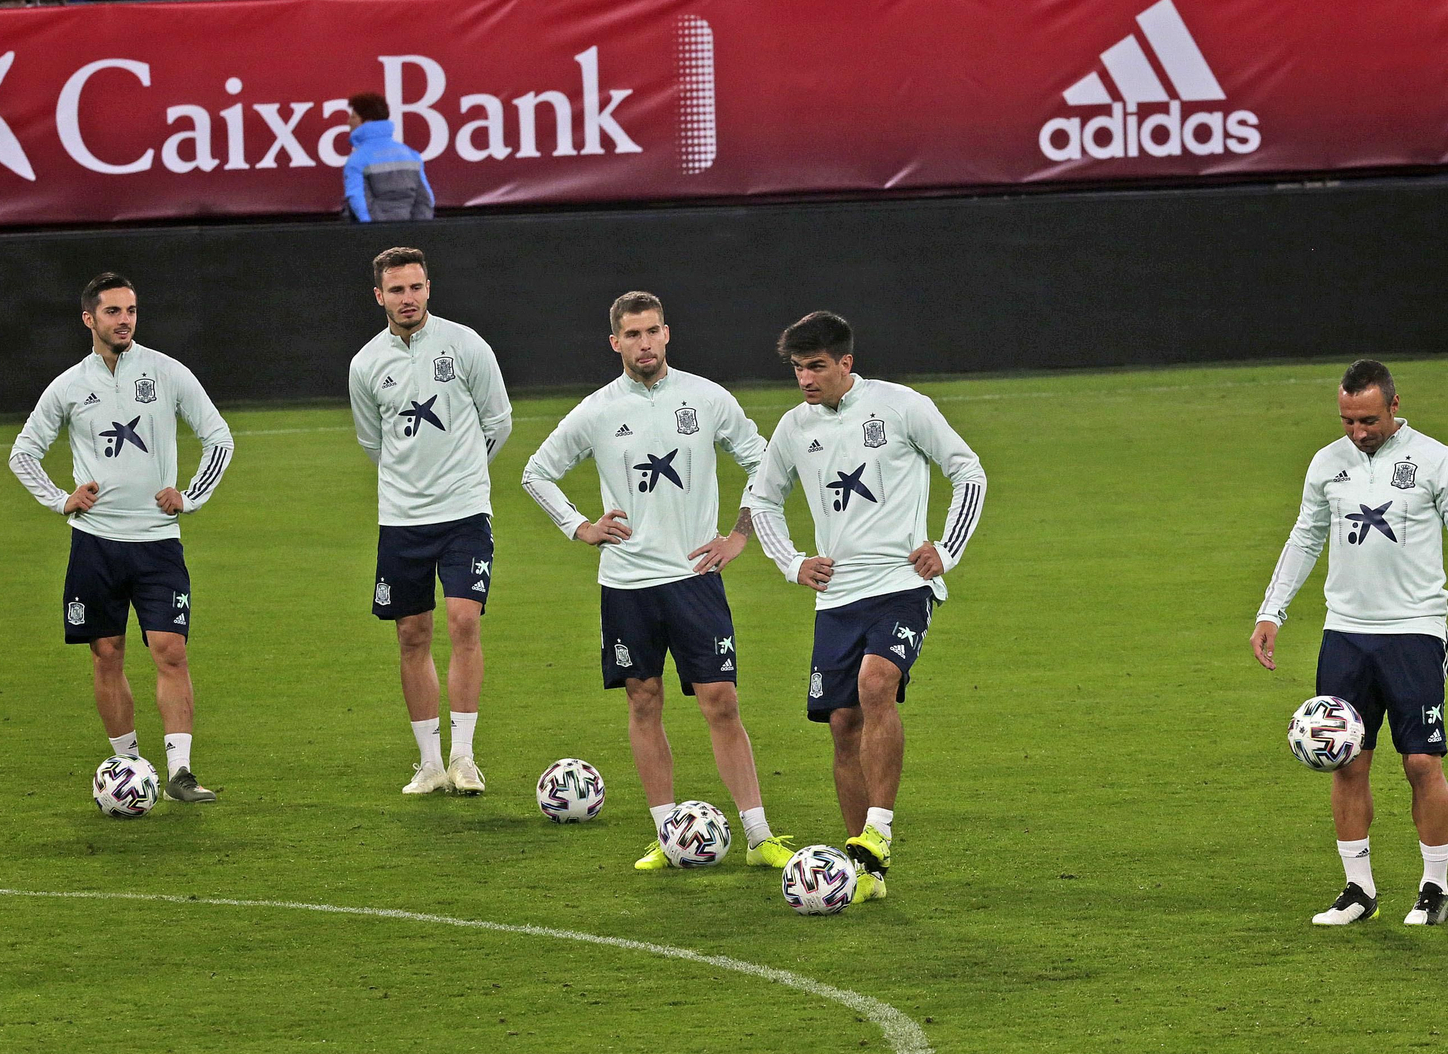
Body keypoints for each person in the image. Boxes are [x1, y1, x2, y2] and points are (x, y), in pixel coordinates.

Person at [521, 291, 796, 871]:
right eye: (632, 334)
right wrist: (580, 527)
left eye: (652, 332)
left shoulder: (707, 398)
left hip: (695, 578)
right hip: (626, 585)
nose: (644, 344)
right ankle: (666, 834)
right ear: (615, 342)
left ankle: (759, 836)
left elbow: (766, 464)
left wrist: (740, 535)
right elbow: (536, 472)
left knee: (721, 703)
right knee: (644, 701)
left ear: (667, 333)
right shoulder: (597, 410)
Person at [747, 311, 986, 901]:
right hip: (838, 597)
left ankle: (878, 832)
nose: (805, 379)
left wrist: (947, 548)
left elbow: (967, 470)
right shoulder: (794, 428)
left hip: (901, 583)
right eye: (798, 368)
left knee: (876, 685)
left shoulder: (901, 406)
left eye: (817, 366)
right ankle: (865, 873)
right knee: (842, 723)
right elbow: (761, 498)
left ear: (846, 363)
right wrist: (792, 562)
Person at [1250, 359, 1448, 927]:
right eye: (1346, 421)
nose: (1358, 432)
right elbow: (1305, 537)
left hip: (1413, 630)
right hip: (1345, 633)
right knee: (1347, 762)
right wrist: (1271, 611)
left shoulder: (1436, 460)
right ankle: (1358, 890)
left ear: (1393, 405)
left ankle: (1433, 889)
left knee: (1420, 761)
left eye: (1367, 420)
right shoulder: (1327, 463)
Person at [9, 273, 234, 802]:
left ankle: (180, 772)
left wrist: (190, 494)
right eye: (112, 311)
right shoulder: (69, 385)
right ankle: (130, 767)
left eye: (131, 310)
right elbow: (23, 452)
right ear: (90, 319)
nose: (125, 320)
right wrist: (61, 498)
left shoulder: (166, 372)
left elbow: (217, 436)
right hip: (95, 544)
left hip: (158, 542)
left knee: (170, 651)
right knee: (106, 652)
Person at [349, 246, 511, 796]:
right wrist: (413, 484)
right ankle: (429, 763)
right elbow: (373, 440)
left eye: (416, 287)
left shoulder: (464, 344)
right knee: (411, 634)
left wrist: (461, 476)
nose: (408, 298)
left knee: (465, 622)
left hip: (465, 512)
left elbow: (499, 420)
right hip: (401, 521)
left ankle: (464, 757)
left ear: (427, 288)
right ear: (379, 296)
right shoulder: (366, 364)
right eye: (396, 290)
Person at [342, 93, 435, 223]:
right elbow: (425, 199)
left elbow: (357, 200)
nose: (348, 122)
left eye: (353, 117)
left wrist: (377, 231)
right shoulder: (411, 155)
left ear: (367, 122)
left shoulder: (357, 159)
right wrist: (418, 230)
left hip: (377, 236)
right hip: (412, 234)